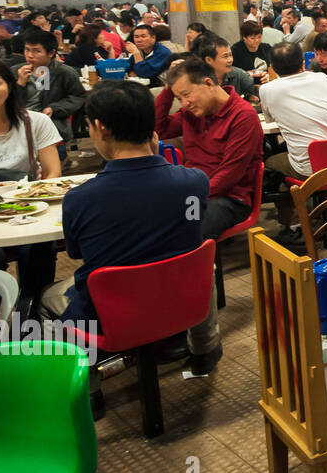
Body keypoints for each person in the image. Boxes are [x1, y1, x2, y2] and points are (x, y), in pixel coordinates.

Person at [38, 81, 208, 324]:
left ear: (100, 128)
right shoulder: (194, 182)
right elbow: (188, 227)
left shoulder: (80, 198)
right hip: (179, 299)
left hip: (108, 314)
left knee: (44, 297)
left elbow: (76, 253)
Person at [155, 57, 264, 373]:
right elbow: (159, 126)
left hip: (229, 198)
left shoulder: (243, 117)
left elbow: (228, 176)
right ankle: (169, 321)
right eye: (178, 98)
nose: (184, 104)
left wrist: (185, 198)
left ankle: (202, 341)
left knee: (191, 239)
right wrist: (169, 87)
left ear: (209, 83)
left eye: (186, 95)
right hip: (195, 193)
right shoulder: (193, 113)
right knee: (151, 227)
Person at [258, 41, 327, 184]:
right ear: (303, 63)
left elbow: (270, 120)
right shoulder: (322, 78)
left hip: (313, 170)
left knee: (270, 160)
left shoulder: (267, 89)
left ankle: (290, 202)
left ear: (273, 68)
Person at [13, 28, 85, 142]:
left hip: (52, 128)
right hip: (19, 128)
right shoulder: (15, 71)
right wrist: (20, 84)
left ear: (51, 53)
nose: (30, 55)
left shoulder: (64, 72)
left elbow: (78, 96)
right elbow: (8, 103)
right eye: (27, 50)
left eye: (36, 51)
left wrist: (54, 108)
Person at [191, 32, 258, 103]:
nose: (230, 60)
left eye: (230, 55)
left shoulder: (238, 74)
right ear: (209, 60)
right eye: (225, 56)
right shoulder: (196, 79)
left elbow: (255, 90)